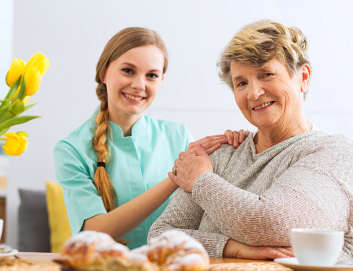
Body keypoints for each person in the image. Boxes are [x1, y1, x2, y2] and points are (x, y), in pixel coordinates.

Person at [148, 20, 353, 260]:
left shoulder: (336, 153)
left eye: (266, 74)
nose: (254, 93)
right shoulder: (222, 154)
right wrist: (231, 247)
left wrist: (201, 182)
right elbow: (160, 236)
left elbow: (273, 224)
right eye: (241, 83)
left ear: (303, 77)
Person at [54, 27, 248, 249]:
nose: (139, 85)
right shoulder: (71, 149)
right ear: (104, 72)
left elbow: (211, 210)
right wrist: (176, 176)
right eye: (128, 70)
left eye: (151, 75)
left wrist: (237, 148)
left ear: (161, 80)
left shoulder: (179, 135)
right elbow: (95, 231)